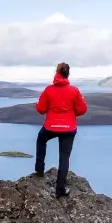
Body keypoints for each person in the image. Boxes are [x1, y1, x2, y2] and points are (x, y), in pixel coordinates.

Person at [34, 62, 87, 198]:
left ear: (56, 73)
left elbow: (41, 109)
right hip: (69, 129)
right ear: (68, 74)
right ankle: (60, 190)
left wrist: (38, 104)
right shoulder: (74, 91)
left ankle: (39, 170)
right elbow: (82, 110)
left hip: (51, 127)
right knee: (64, 157)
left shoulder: (48, 90)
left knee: (41, 139)